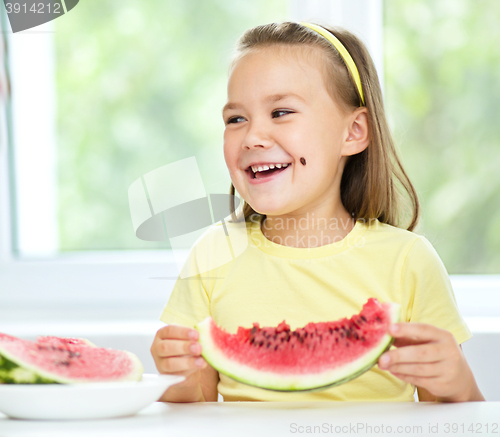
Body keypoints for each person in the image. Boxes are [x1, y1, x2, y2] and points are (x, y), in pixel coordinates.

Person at [150, 22, 484, 403]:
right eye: (235, 119)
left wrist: (458, 384)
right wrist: (178, 380)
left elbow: (459, 419)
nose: (254, 136)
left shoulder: (408, 262)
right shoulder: (212, 255)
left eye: (281, 112)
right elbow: (196, 410)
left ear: (353, 131)